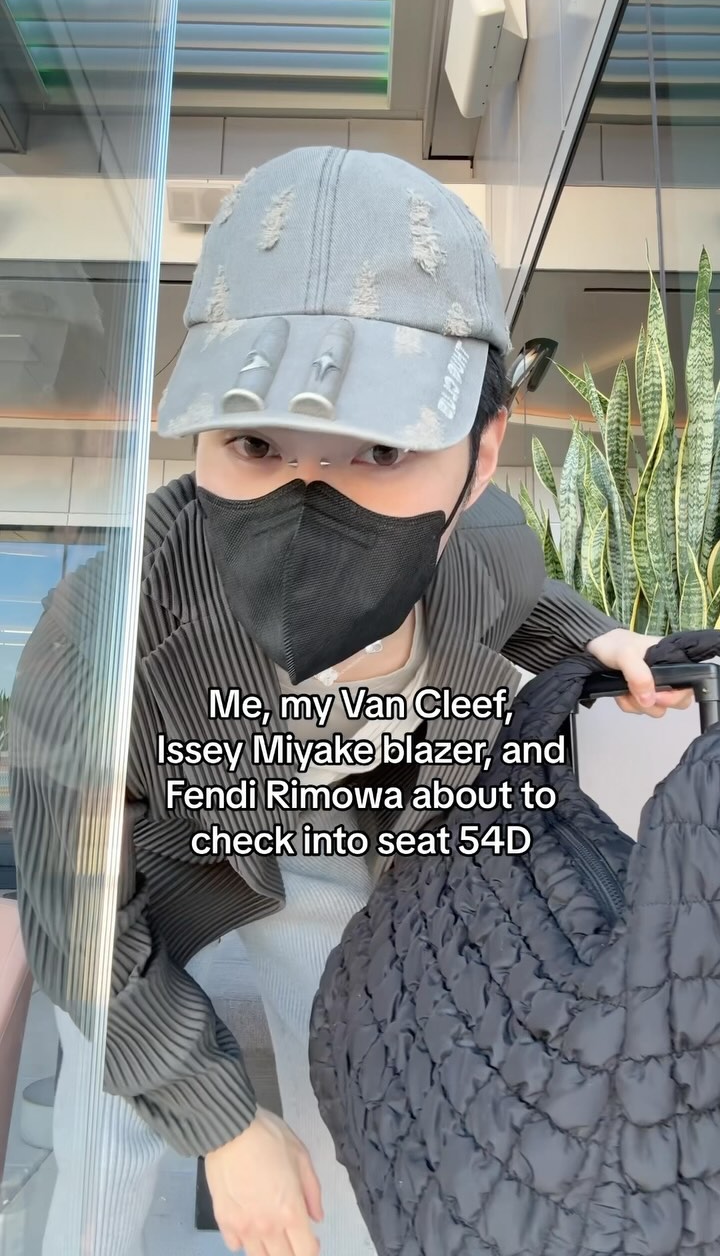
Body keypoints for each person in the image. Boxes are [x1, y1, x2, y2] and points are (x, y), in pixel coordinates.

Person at [9, 146, 692, 1256]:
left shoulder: (488, 537)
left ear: (481, 456)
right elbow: (80, 921)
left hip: (358, 861)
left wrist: (596, 638)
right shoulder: (103, 634)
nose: (306, 501)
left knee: (352, 1096)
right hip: (167, 864)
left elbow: (519, 597)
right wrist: (226, 1125)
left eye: (381, 445)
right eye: (254, 440)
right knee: (111, 1131)